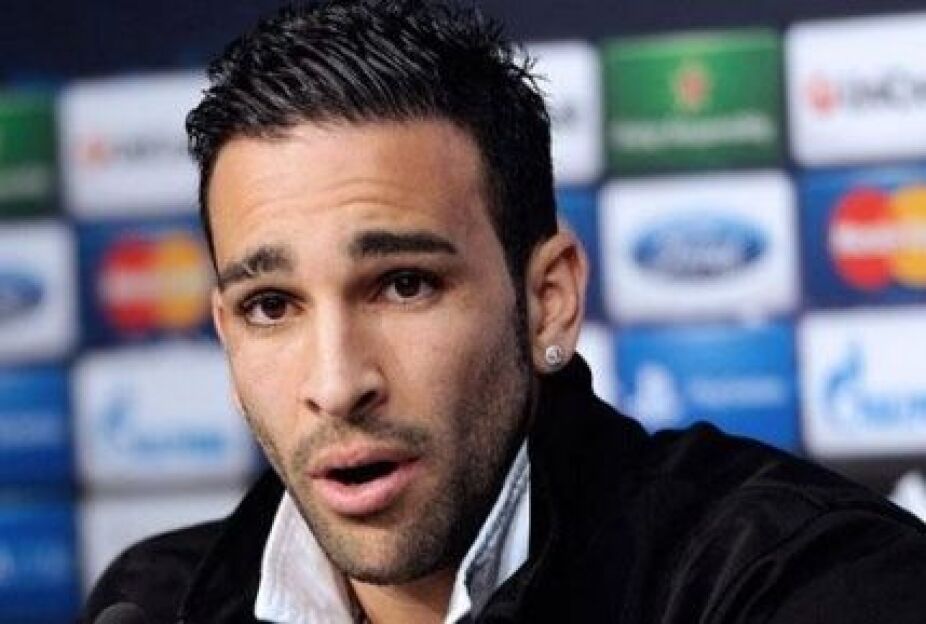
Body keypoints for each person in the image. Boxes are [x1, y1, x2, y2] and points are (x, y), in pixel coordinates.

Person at [84, 1, 926, 622]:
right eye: (271, 305)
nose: (336, 384)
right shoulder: (154, 602)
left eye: (404, 285)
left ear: (548, 300)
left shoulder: (801, 582)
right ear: (226, 334)